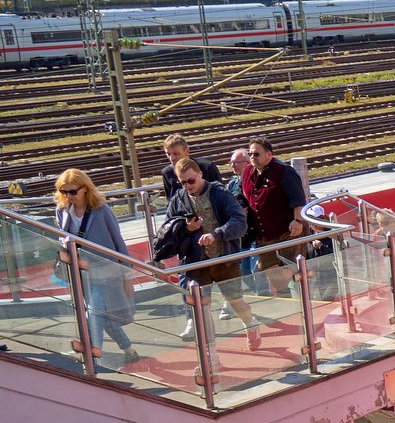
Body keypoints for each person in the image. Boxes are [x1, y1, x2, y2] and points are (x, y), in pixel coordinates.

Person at [154, 157, 259, 352]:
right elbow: (167, 229)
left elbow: (239, 221)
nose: (188, 186)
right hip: (196, 261)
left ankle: (250, 324)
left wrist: (216, 234)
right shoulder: (179, 199)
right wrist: (186, 228)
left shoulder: (219, 193)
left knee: (236, 301)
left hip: (224, 258)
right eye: (182, 182)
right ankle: (210, 352)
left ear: (200, 174)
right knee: (201, 308)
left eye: (191, 181)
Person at [52, 169, 139, 366]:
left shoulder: (101, 210)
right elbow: (62, 237)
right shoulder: (62, 210)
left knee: (94, 310)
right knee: (101, 316)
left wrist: (128, 277)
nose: (68, 196)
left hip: (107, 272)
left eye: (72, 192)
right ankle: (129, 349)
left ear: (85, 189)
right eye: (64, 192)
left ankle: (93, 354)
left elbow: (119, 244)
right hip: (81, 274)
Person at [239, 137, 307, 290]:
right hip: (263, 234)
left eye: (256, 154)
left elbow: (298, 199)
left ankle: (304, 278)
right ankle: (291, 300)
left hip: (287, 231)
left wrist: (298, 220)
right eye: (250, 154)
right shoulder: (248, 171)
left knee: (289, 271)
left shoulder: (284, 171)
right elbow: (242, 194)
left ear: (269, 155)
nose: (252, 158)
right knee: (274, 277)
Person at [158, 134, 221, 202]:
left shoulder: (207, 167)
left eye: (176, 154)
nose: (171, 158)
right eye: (168, 154)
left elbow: (221, 194)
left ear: (187, 151)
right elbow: (170, 201)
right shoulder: (167, 173)